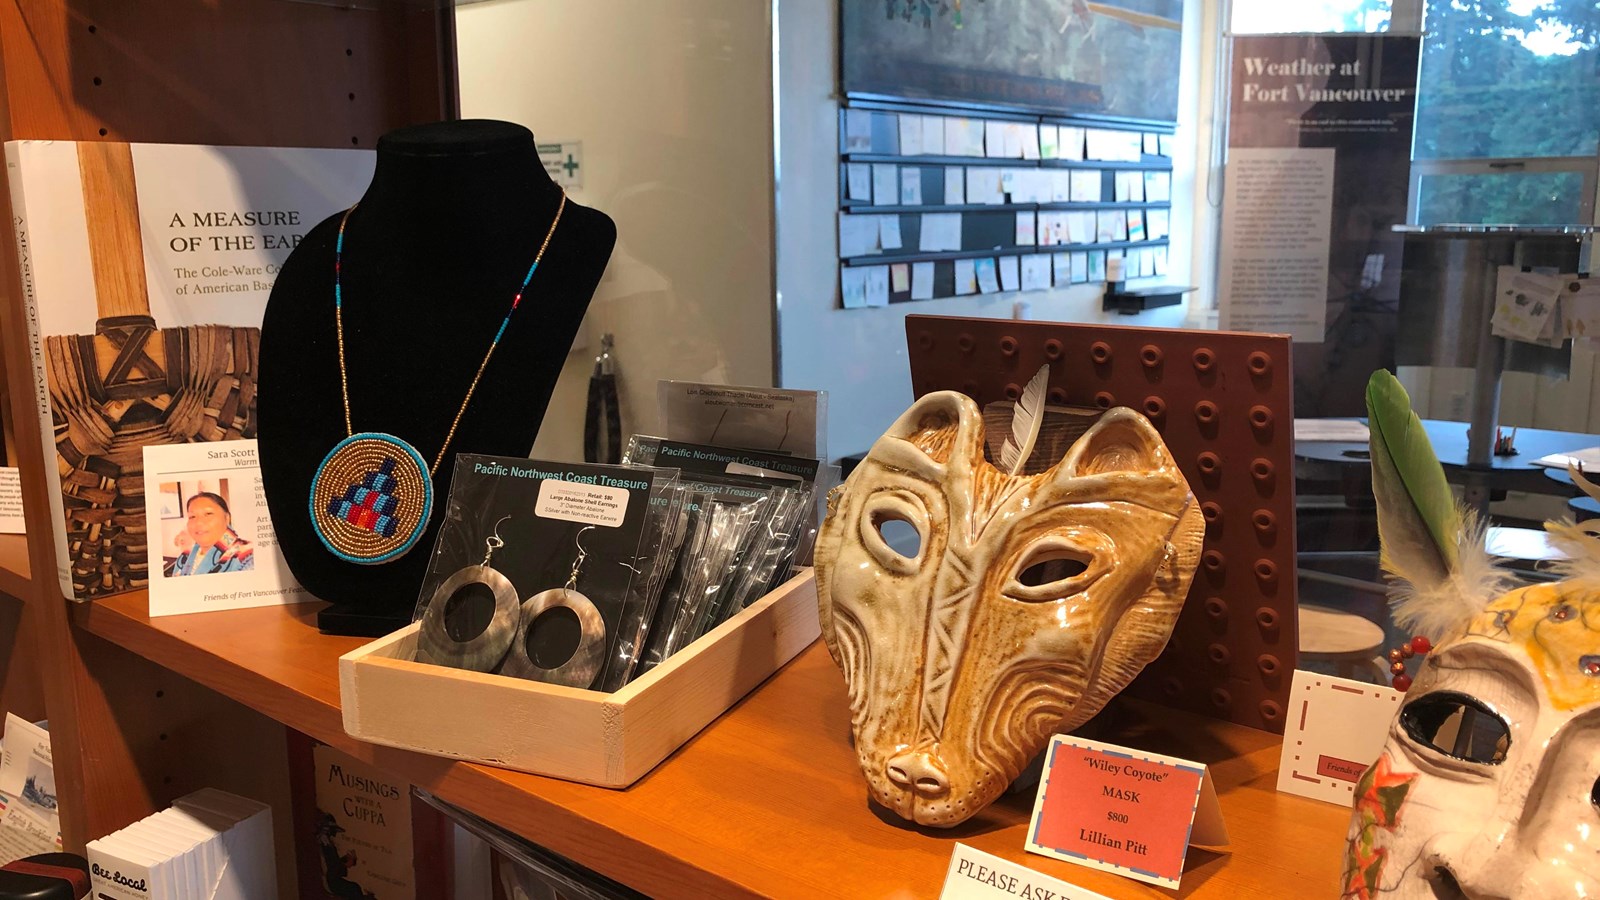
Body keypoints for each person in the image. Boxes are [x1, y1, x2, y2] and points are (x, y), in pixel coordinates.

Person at [169, 491, 254, 576]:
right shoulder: (185, 556)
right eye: (192, 516)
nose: (199, 522)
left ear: (227, 518)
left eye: (208, 514)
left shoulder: (247, 556)